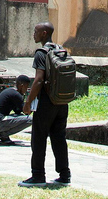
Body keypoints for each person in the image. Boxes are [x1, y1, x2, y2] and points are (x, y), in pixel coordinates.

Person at [19, 22, 71, 187]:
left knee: (39, 138)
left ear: (44, 33)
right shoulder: (60, 50)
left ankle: (38, 175)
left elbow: (39, 79)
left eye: (36, 31)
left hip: (46, 102)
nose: (33, 34)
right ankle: (64, 174)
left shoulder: (41, 53)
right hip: (61, 101)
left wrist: (28, 102)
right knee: (59, 138)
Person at [0, 75, 32, 145]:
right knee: (30, 119)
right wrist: (31, 102)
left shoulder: (12, 92)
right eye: (26, 87)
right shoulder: (16, 94)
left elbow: (18, 111)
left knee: (22, 116)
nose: (27, 89)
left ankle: (4, 135)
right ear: (22, 86)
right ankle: (4, 134)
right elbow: (26, 111)